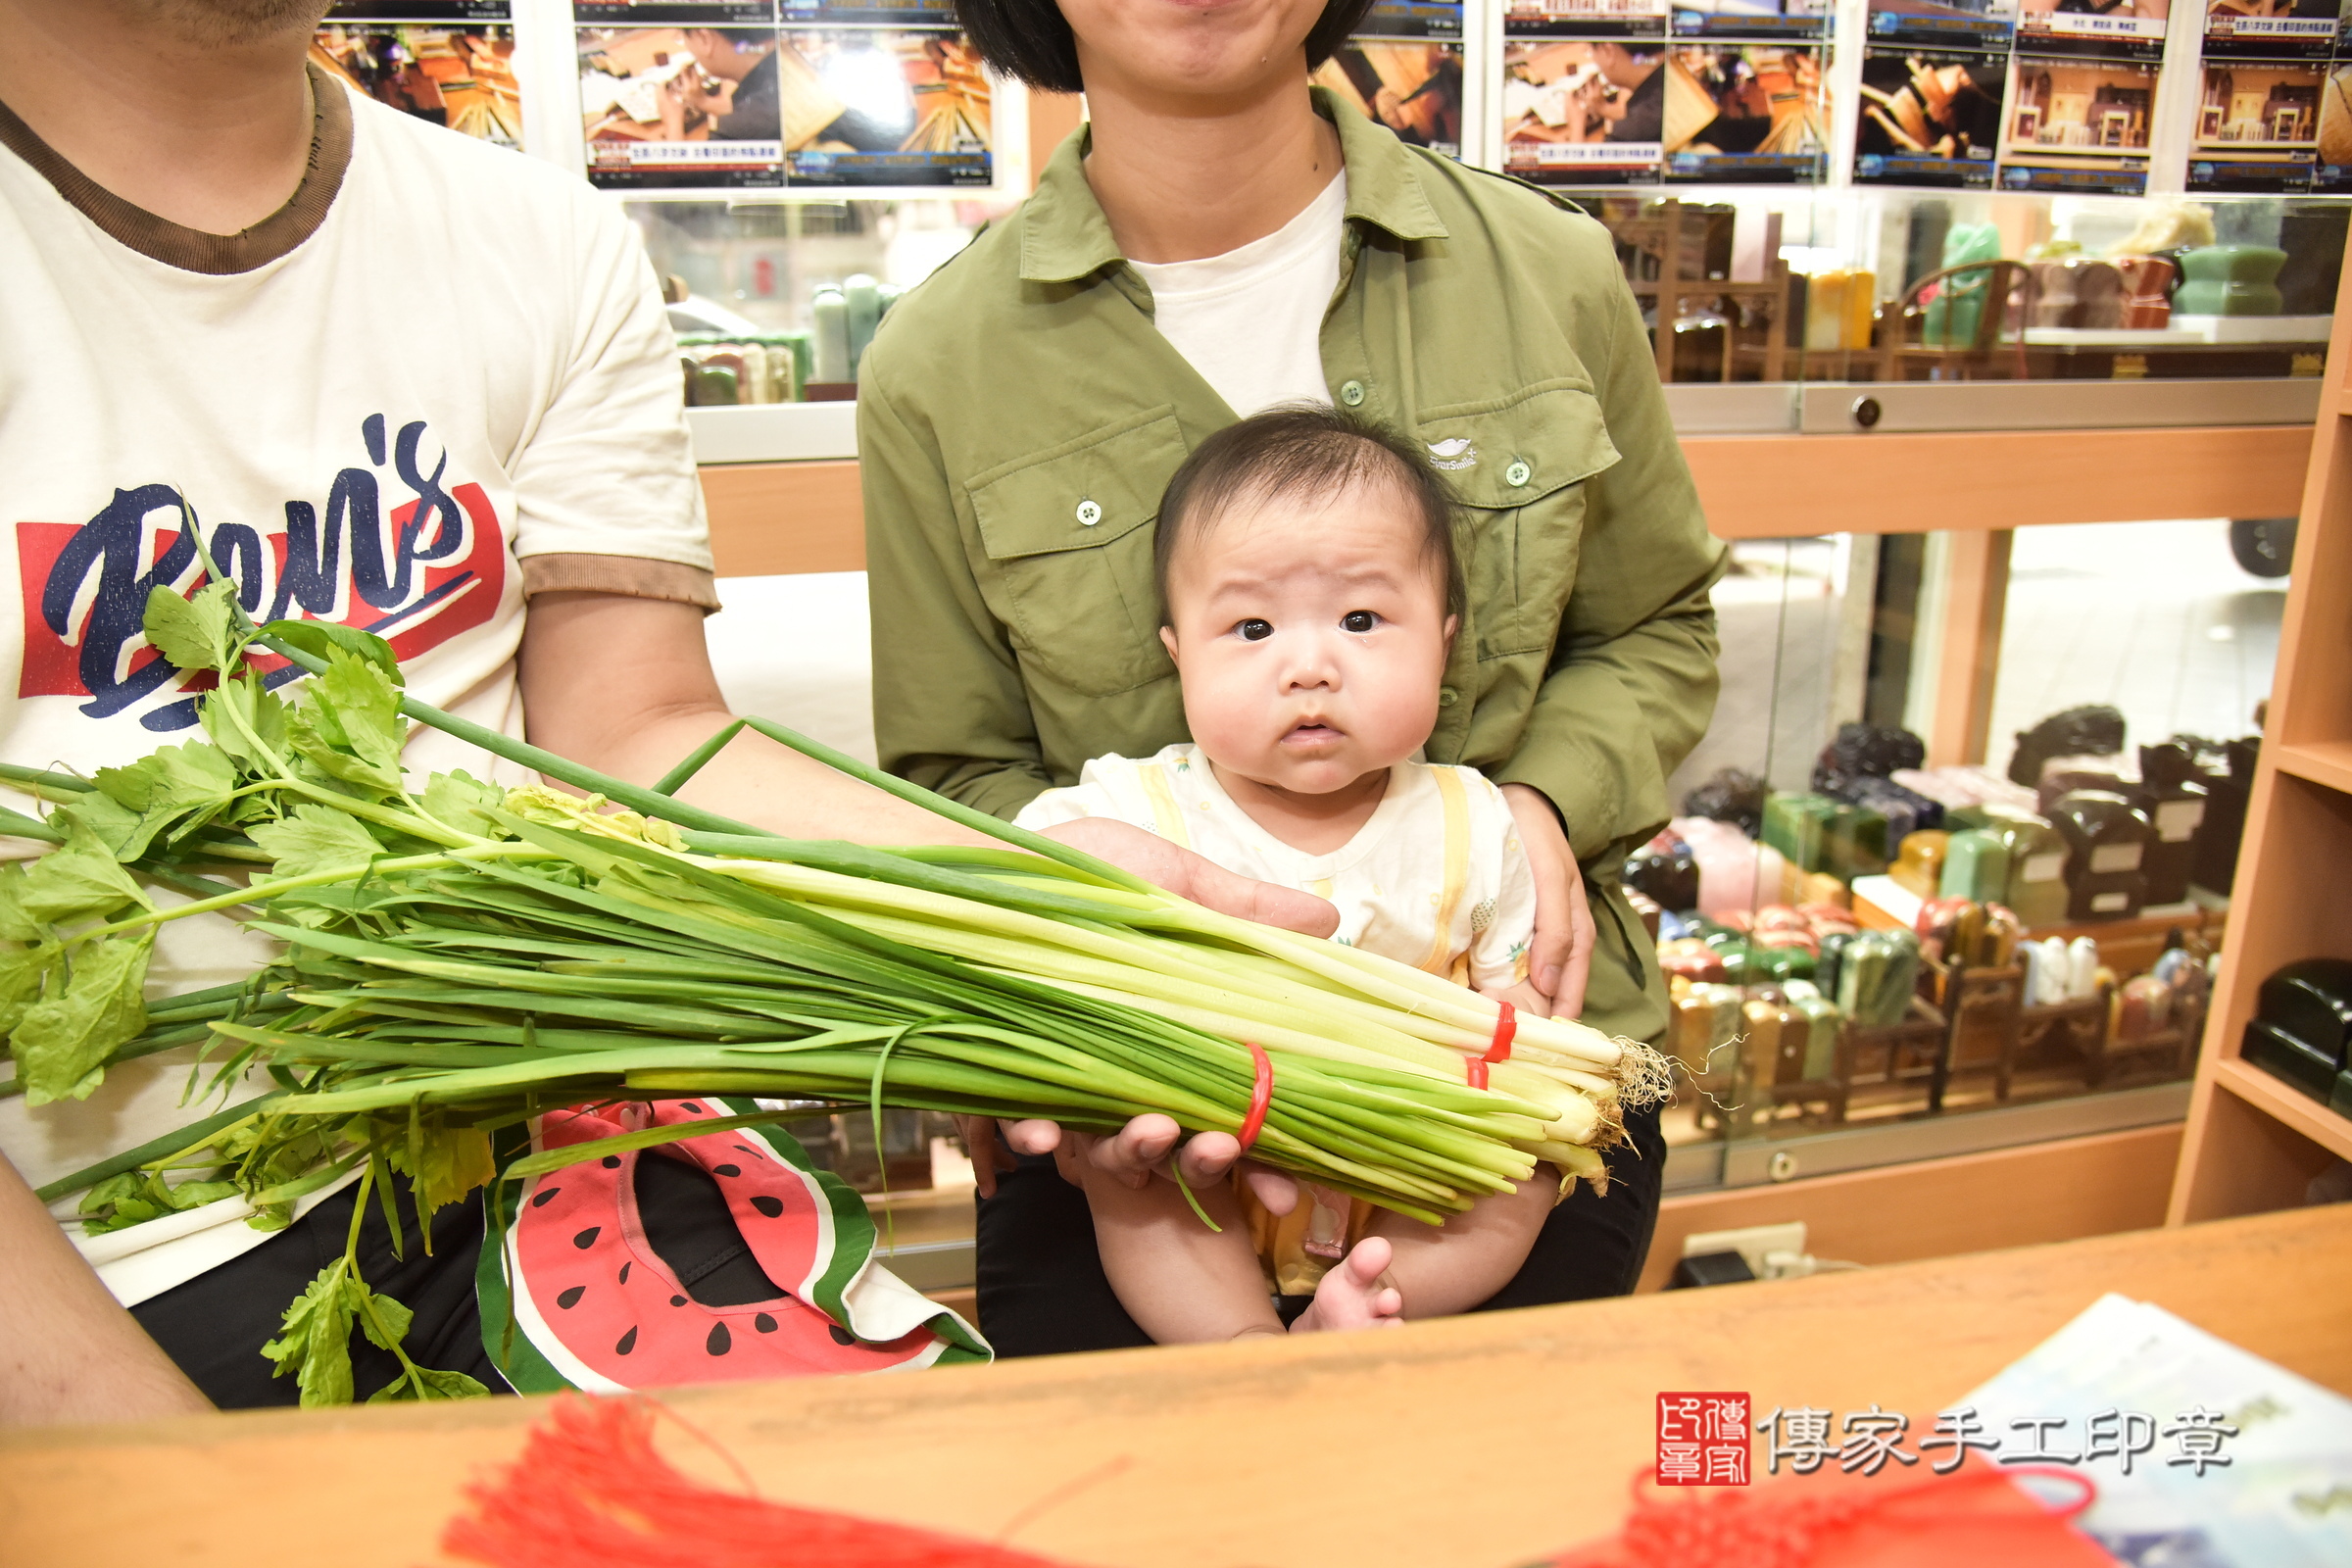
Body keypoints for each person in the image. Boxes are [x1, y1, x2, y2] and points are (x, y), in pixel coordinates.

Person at [0, 0, 1325, 1426]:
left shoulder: (530, 238)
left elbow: (632, 733)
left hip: (542, 1125)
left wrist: (1059, 891)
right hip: (112, 1238)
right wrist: (178, 1487)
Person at [863, 0, 1725, 1355]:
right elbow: (957, 774)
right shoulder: (939, 364)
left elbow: (1658, 626)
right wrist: (1090, 972)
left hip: (1505, 1081)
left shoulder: (1545, 270)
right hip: (1133, 1113)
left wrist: (1537, 813)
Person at [1016, 407, 1584, 1344]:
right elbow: (1013, 866)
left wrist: (1522, 1091)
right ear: (1177, 654)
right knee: (1133, 1187)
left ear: (1443, 642)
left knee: (1520, 1179)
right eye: (1250, 627)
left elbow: (1514, 1000)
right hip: (1206, 1148)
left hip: (1412, 1154)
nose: (1309, 666)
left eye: (1362, 620)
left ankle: (1368, 1301)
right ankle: (1240, 1346)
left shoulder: (1475, 821)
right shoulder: (1129, 811)